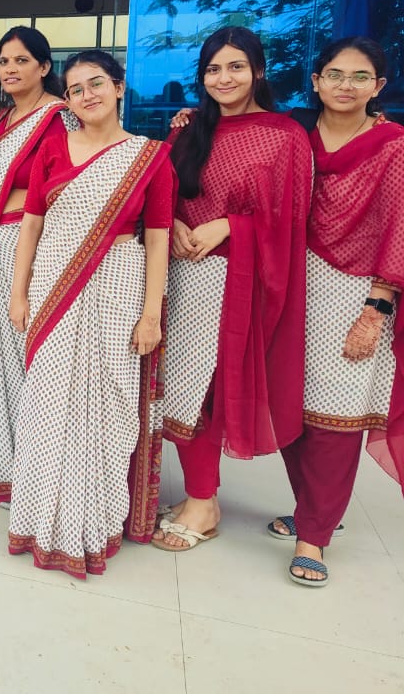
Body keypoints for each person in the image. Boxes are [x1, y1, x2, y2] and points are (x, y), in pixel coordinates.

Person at [6, 49, 173, 578]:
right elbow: (31, 226)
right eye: (76, 89)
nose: (87, 95)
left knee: (107, 407)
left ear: (119, 87)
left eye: (96, 83)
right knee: (46, 404)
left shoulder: (149, 158)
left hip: (119, 287)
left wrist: (151, 315)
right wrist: (18, 293)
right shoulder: (52, 150)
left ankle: (91, 525)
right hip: (53, 285)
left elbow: (158, 240)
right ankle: (40, 521)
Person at [155, 27, 311, 551]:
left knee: (203, 390)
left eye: (236, 67)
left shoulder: (284, 135)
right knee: (177, 387)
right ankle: (201, 495)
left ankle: (203, 502)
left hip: (233, 281)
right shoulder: (189, 130)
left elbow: (292, 217)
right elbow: (162, 192)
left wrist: (229, 226)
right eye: (214, 69)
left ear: (258, 71)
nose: (224, 78)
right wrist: (175, 222)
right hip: (178, 276)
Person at [271, 36, 403, 586]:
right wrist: (189, 120)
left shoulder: (393, 147)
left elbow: (399, 230)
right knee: (289, 405)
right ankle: (314, 509)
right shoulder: (294, 137)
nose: (345, 85)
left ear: (378, 86)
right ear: (317, 81)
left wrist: (376, 310)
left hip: (357, 293)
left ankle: (314, 536)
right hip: (290, 287)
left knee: (337, 415)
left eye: (359, 76)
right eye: (335, 74)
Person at [0, 26, 71, 506]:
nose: (10, 69)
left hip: (33, 248)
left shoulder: (60, 118)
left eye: (21, 60)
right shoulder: (3, 121)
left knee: (27, 360)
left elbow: (68, 187)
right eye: (4, 61)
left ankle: (32, 474)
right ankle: (0, 469)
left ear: (44, 67)